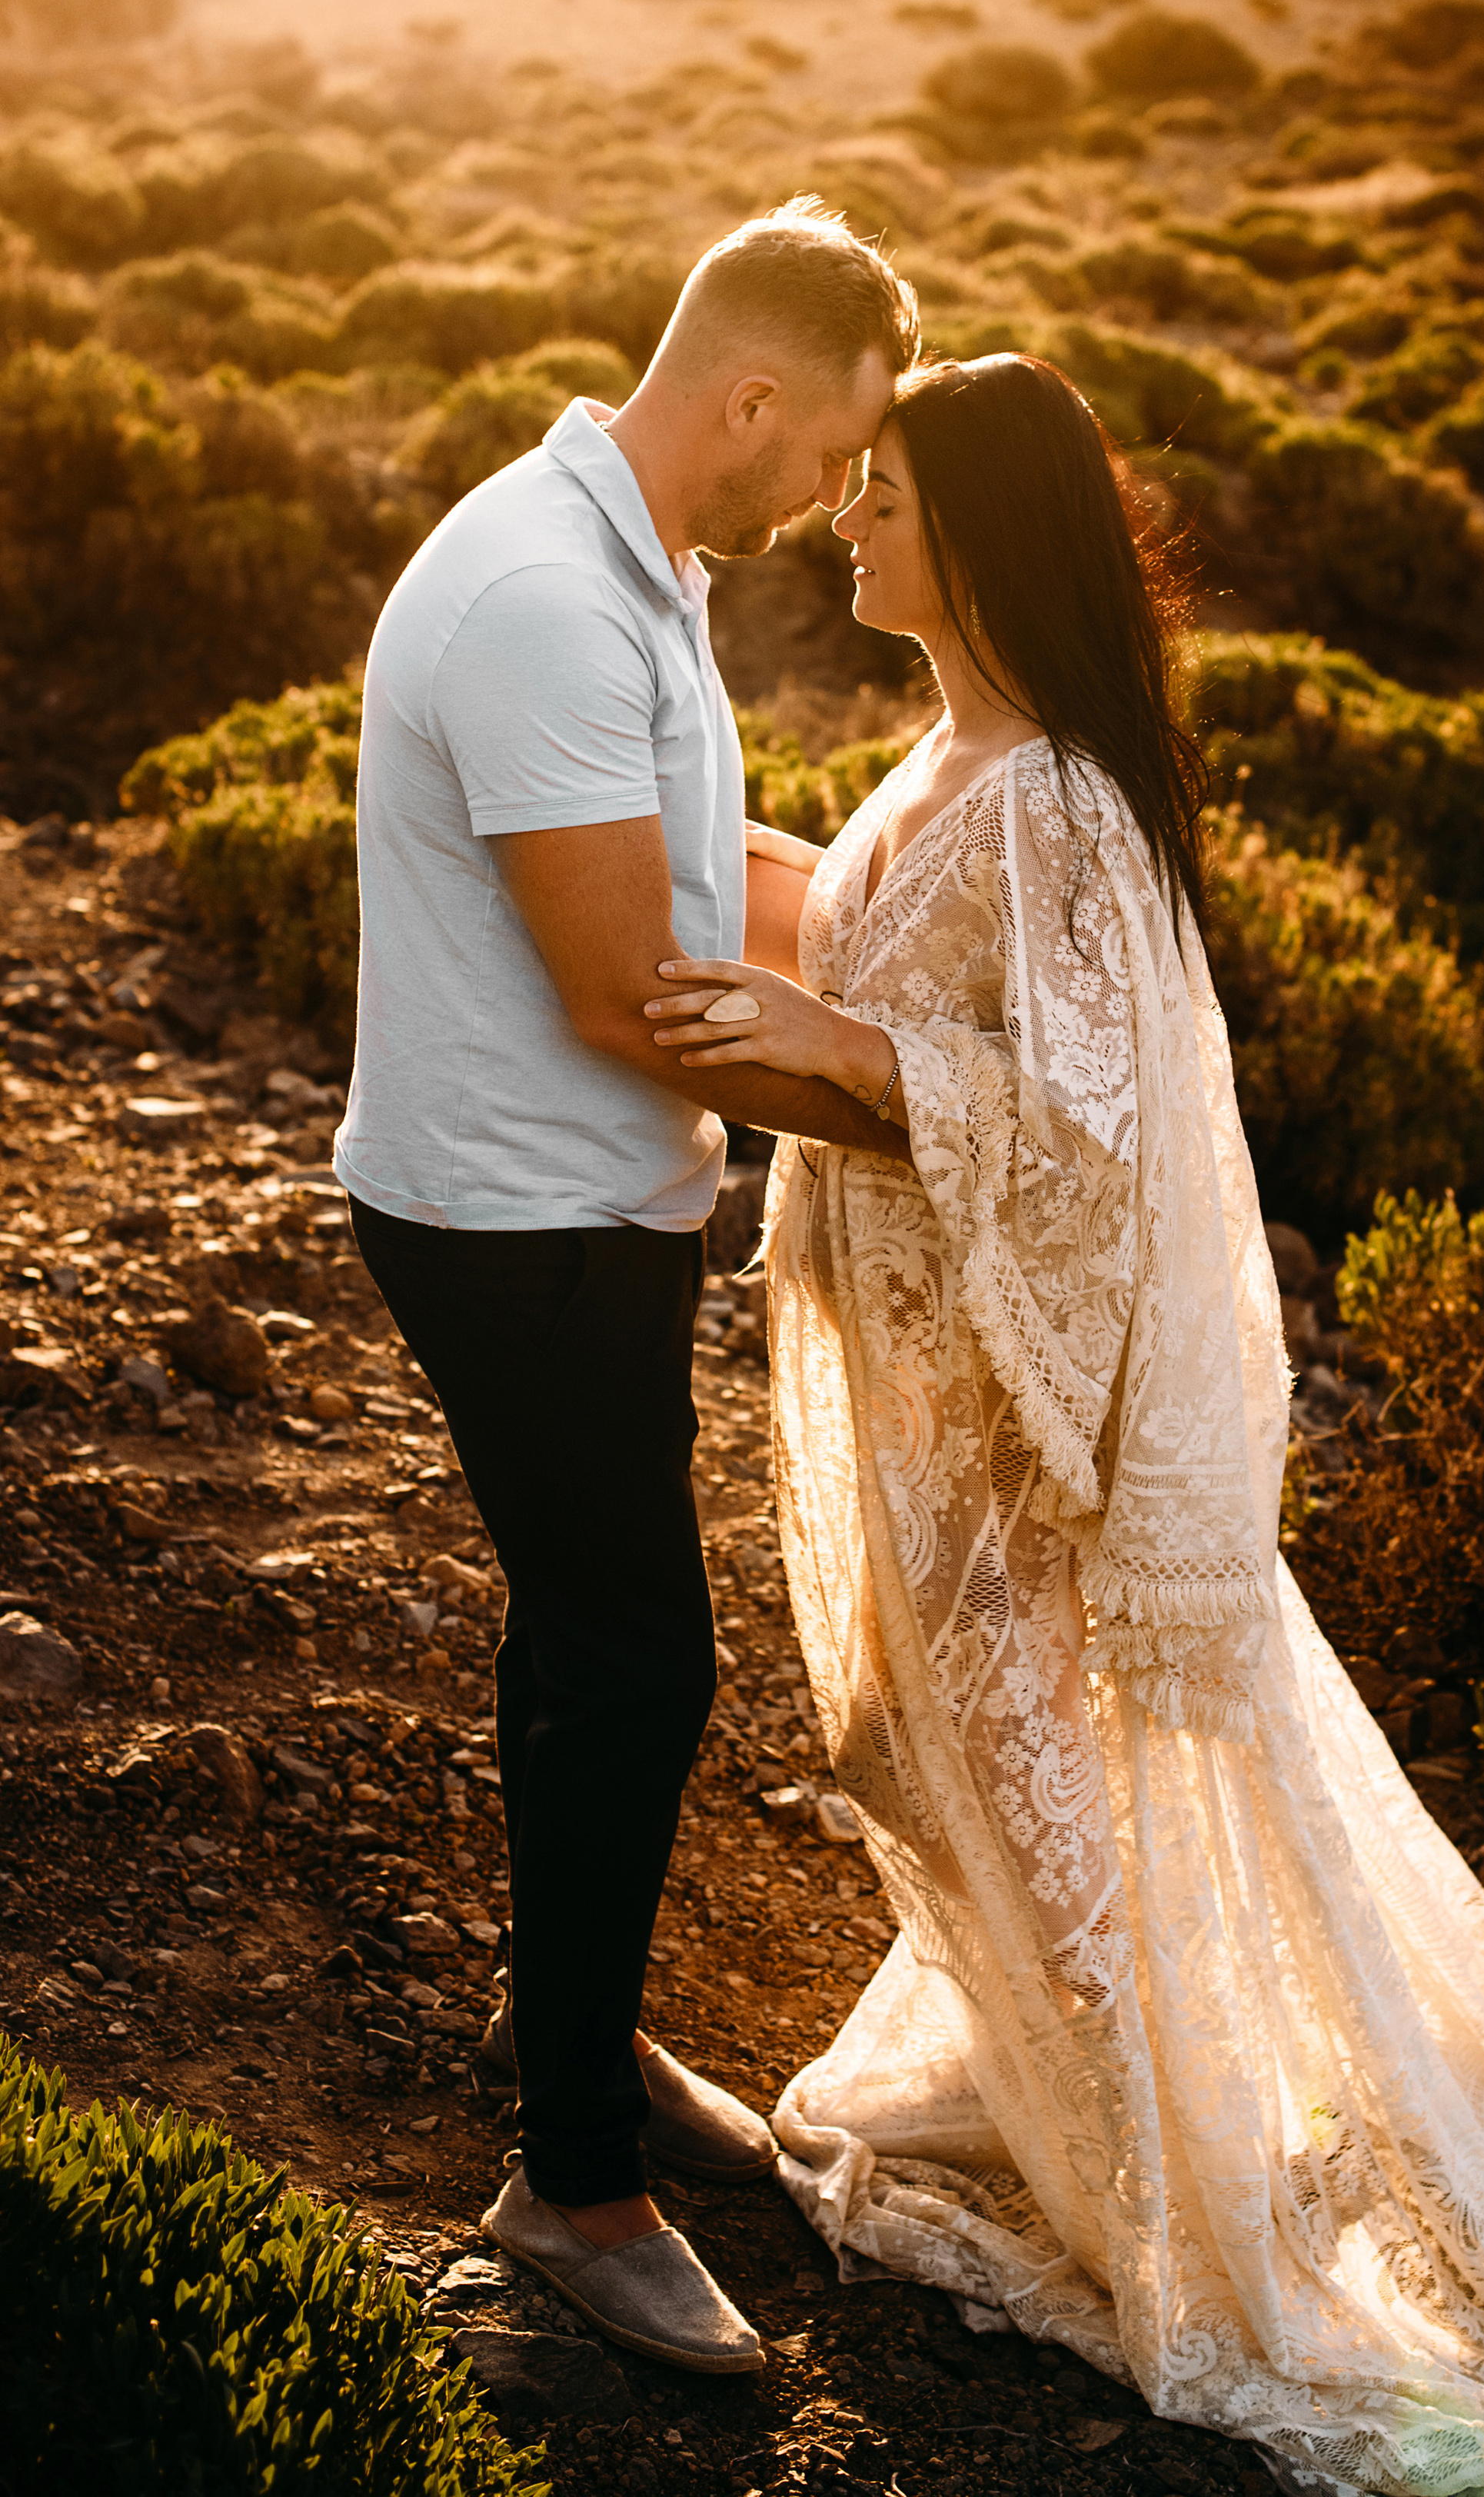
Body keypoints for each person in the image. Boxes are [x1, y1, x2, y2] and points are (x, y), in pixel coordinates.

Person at [645, 353, 1484, 2492]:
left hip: (1004, 1401)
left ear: (972, 530)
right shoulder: (952, 755)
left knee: (1009, 1748)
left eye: (877, 495)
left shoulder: (1064, 792)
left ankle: (1196, 2202)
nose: (841, 524)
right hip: (918, 1363)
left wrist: (841, 1049)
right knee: (922, 1736)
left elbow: (1087, 1128)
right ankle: (1092, 2097)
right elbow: (901, 947)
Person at [332, 198, 919, 2372]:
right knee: (639, 1659)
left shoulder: (641, 561)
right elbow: (621, 989)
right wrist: (931, 1127)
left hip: (593, 1207)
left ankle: (579, 2031)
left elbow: (698, 884)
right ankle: (572, 2188)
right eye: (835, 453)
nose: (839, 501)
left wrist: (886, 938)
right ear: (747, 397)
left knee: (586, 1646)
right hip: (513, 1219)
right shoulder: (538, 596)